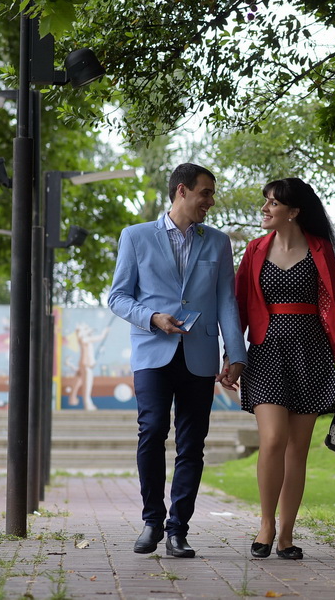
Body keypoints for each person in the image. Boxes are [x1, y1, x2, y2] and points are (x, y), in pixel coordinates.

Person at [109, 163, 247, 558]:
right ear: (182, 191)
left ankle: (177, 530)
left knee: (192, 444)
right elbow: (118, 296)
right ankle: (152, 521)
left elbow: (225, 300)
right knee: (151, 431)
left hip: (199, 355)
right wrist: (152, 318)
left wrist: (234, 353)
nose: (211, 201)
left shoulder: (218, 242)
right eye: (205, 193)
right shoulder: (135, 237)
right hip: (152, 352)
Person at [220, 177, 335, 561]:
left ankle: (287, 534)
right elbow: (239, 305)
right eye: (265, 202)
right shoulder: (255, 250)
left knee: (297, 450)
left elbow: (332, 305)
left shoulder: (320, 249)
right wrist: (233, 355)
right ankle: (266, 523)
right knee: (273, 440)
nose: (265, 209)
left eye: (273, 203)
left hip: (311, 352)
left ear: (293, 211)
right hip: (266, 350)